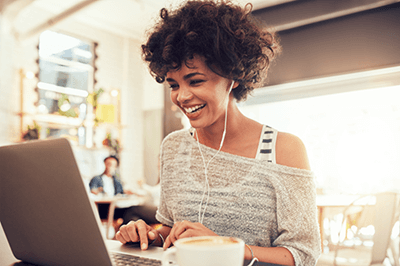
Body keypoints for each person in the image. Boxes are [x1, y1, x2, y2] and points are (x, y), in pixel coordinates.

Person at [116, 1, 321, 265]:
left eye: (196, 80)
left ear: (233, 76)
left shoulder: (283, 149)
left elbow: (304, 255)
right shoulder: (173, 147)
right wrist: (148, 235)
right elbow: (171, 231)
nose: (182, 96)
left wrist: (223, 247)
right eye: (173, 84)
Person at [89, 155, 130, 220]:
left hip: (115, 207)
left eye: (112, 165)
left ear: (116, 167)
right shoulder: (96, 179)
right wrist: (99, 190)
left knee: (131, 212)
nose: (109, 167)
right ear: (104, 164)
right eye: (108, 164)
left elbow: (121, 193)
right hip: (102, 208)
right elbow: (92, 191)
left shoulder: (117, 181)